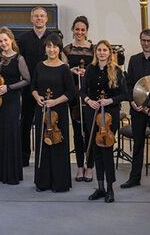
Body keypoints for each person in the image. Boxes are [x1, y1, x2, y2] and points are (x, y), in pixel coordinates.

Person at [121, 28, 150, 192]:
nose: (146, 43)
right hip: (138, 109)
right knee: (138, 144)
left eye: (149, 40)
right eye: (143, 40)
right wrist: (132, 101)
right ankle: (134, 178)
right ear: (140, 40)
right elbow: (129, 84)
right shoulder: (134, 60)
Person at [82, 39, 128, 203]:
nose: (102, 53)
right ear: (96, 52)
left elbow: (125, 94)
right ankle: (100, 188)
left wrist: (110, 101)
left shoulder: (116, 70)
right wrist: (88, 100)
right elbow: (81, 92)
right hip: (92, 113)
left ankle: (110, 189)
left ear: (109, 53)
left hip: (109, 116)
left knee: (107, 152)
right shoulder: (90, 69)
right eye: (99, 50)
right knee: (96, 151)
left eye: (104, 50)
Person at [16, 7, 62, 167]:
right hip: (30, 87)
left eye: (42, 16)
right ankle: (24, 156)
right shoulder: (22, 39)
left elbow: (61, 59)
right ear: (31, 18)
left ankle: (48, 156)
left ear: (46, 18)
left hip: (51, 88)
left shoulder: (54, 37)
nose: (39, 18)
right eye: (36, 16)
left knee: (50, 122)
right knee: (26, 122)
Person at [30, 34, 77, 193]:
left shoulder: (64, 68)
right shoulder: (39, 66)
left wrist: (55, 101)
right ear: (45, 48)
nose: (51, 49)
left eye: (55, 46)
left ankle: (59, 183)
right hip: (42, 111)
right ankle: (42, 182)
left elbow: (71, 93)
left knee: (58, 145)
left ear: (59, 48)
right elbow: (33, 87)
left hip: (59, 112)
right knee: (42, 145)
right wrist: (37, 98)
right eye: (48, 46)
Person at [0, 27, 30, 185]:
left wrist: (8, 87)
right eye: (0, 41)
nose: (3, 43)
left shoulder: (19, 59)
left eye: (5, 40)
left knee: (10, 134)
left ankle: (11, 172)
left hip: (11, 100)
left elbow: (26, 80)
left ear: (11, 39)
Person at [65, 15, 94, 181]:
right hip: (74, 96)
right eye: (77, 29)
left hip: (89, 95)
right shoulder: (66, 50)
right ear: (73, 30)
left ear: (87, 31)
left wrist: (87, 72)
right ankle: (79, 166)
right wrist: (71, 71)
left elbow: (98, 69)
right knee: (77, 132)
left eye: (83, 29)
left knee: (89, 131)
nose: (80, 32)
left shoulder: (93, 48)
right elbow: (62, 69)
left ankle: (90, 167)